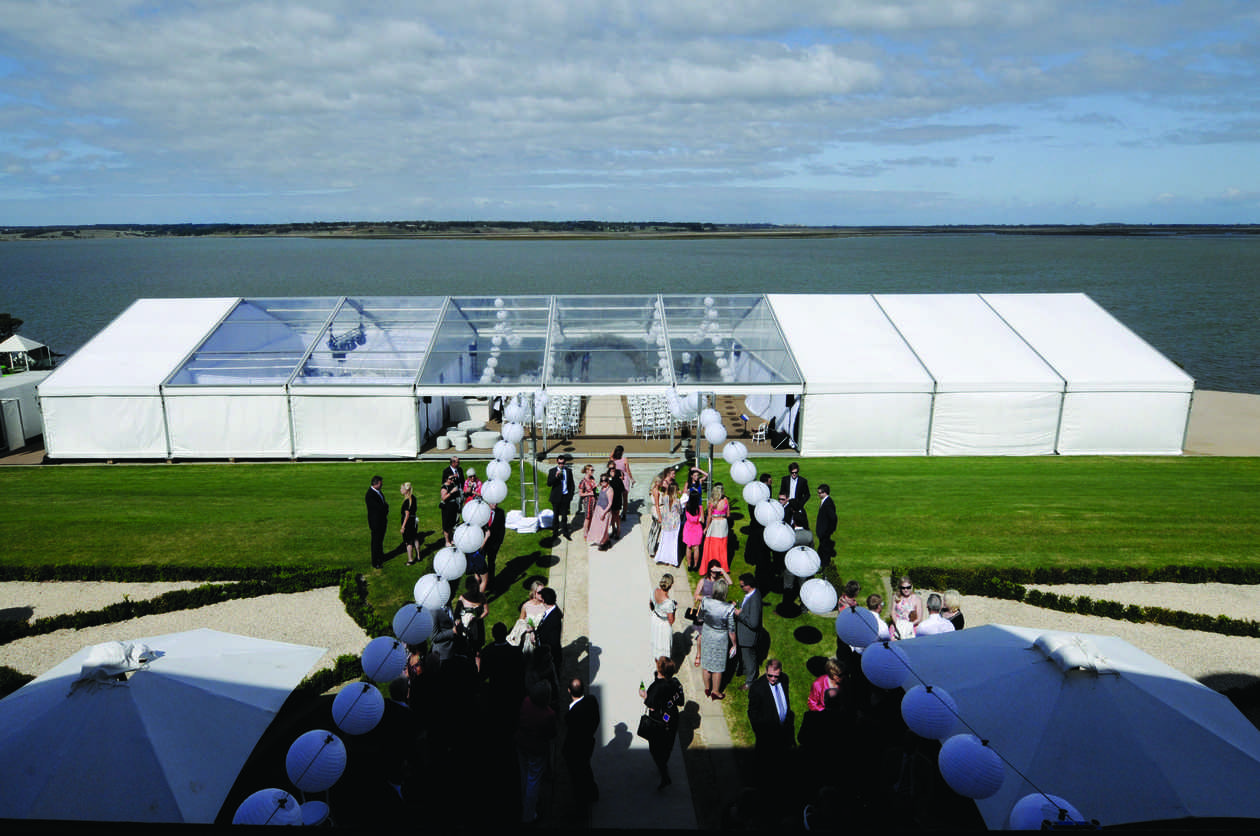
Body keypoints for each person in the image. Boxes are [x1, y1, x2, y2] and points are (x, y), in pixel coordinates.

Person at [639, 656, 685, 789]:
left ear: (660, 670)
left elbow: (651, 704)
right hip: (673, 718)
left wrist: (644, 695)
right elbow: (680, 701)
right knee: (668, 745)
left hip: (658, 721)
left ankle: (664, 773)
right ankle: (664, 762)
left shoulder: (656, 687)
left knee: (655, 748)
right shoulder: (676, 683)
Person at [516, 681, 558, 824]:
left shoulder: (526, 701)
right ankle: (529, 814)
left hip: (521, 744)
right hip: (536, 749)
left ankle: (524, 803)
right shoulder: (549, 714)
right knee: (533, 780)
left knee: (524, 775)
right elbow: (552, 734)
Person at [748, 658, 796, 760]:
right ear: (766, 671)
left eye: (776, 676)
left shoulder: (784, 679)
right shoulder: (757, 688)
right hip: (767, 734)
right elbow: (752, 713)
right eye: (770, 675)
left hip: (783, 730)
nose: (773, 679)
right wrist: (760, 733)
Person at [563, 678, 600, 807]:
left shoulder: (572, 715)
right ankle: (593, 791)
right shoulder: (592, 700)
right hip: (588, 743)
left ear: (569, 691)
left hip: (577, 749)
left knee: (579, 776)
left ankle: (582, 803)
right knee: (585, 768)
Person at [699, 577, 737, 700]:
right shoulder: (729, 608)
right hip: (720, 638)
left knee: (706, 662)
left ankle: (707, 688)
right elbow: (731, 629)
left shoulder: (705, 601)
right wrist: (734, 644)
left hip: (707, 633)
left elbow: (700, 617)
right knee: (718, 666)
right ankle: (716, 691)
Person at [734, 573, 762, 690]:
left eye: (742, 586)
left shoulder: (755, 600)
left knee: (749, 659)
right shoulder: (750, 594)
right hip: (744, 635)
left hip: (748, 637)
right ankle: (745, 671)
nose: (741, 588)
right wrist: (739, 605)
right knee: (746, 657)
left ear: (748, 586)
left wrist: (740, 615)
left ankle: (750, 682)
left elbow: (754, 623)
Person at [700, 482, 731, 576]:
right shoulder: (725, 500)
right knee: (723, 546)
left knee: (712, 546)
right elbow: (728, 514)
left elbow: (709, 517)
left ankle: (711, 565)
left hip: (715, 524)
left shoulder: (711, 502)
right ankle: (723, 567)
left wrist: (706, 527)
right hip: (723, 524)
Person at [508, 580, 547, 652]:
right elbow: (520, 623)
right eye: (539, 593)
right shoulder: (526, 606)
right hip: (529, 641)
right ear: (534, 592)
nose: (542, 594)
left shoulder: (547, 605)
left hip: (543, 639)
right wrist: (528, 630)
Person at [535, 587, 564, 678]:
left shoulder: (553, 618)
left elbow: (552, 641)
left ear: (543, 600)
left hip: (551, 656)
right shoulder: (553, 612)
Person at [365, 474, 392, 568]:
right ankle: (375, 561)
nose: (382, 485)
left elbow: (384, 504)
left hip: (382, 520)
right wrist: (385, 507)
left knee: (380, 541)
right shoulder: (370, 495)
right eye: (380, 483)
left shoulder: (378, 492)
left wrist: (385, 507)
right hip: (376, 522)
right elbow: (379, 508)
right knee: (376, 542)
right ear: (375, 484)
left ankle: (380, 556)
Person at [547, 454, 575, 540]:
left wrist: (570, 495)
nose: (561, 465)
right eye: (559, 463)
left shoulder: (568, 471)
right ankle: (555, 533)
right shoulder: (552, 471)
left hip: (565, 496)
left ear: (565, 463)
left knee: (564, 516)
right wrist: (556, 476)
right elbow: (549, 484)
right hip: (556, 497)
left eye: (562, 463)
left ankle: (566, 533)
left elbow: (571, 484)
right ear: (557, 462)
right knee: (556, 516)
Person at [585, 473, 616, 550]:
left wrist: (604, 513)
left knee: (604, 528)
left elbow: (610, 503)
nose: (603, 482)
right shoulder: (601, 488)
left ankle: (604, 543)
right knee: (598, 527)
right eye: (602, 481)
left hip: (605, 511)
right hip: (598, 509)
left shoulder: (610, 490)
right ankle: (606, 541)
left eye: (605, 480)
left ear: (607, 481)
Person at [653, 482, 681, 567]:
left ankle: (665, 558)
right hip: (674, 523)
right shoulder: (677, 501)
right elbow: (680, 511)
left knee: (665, 540)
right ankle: (672, 559)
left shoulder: (664, 498)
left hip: (666, 522)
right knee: (673, 542)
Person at [651, 574, 677, 662]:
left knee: (656, 640)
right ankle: (663, 664)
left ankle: (657, 660)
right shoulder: (669, 603)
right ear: (670, 585)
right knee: (664, 644)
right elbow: (671, 620)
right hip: (663, 624)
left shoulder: (655, 590)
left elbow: (651, 604)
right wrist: (675, 609)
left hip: (655, 619)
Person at [779, 462, 811, 529]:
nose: (794, 474)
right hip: (788, 504)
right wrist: (784, 500)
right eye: (792, 472)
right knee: (786, 522)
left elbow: (807, 494)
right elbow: (782, 491)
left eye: (795, 472)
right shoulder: (785, 480)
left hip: (797, 505)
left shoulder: (803, 481)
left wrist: (800, 503)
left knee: (801, 522)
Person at [482, 500, 506, 585]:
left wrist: (499, 543)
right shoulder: (483, 512)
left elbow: (502, 530)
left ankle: (491, 581)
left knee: (491, 562)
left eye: (496, 503)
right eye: (493, 503)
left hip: (494, 543)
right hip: (483, 542)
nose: (495, 504)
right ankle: (481, 580)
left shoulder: (500, 512)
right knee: (481, 561)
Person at [681, 492, 705, 572]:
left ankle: (689, 565)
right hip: (697, 528)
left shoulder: (686, 506)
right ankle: (695, 565)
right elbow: (702, 520)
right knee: (696, 548)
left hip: (688, 528)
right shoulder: (700, 508)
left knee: (688, 547)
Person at [398, 482, 420, 566]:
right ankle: (418, 555)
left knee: (408, 542)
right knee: (415, 538)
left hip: (408, 523)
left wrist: (403, 527)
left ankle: (410, 559)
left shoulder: (407, 501)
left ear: (406, 490)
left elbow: (407, 514)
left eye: (402, 489)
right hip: (414, 520)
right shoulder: (413, 498)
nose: (400, 490)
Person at [815, 482, 837, 565]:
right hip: (823, 531)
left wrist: (828, 531)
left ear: (825, 493)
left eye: (820, 493)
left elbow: (833, 518)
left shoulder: (827, 503)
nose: (819, 495)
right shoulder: (825, 501)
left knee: (824, 550)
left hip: (824, 531)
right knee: (822, 549)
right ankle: (822, 564)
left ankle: (825, 565)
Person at [439, 472, 461, 547]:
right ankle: (447, 541)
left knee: (452, 524)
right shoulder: (444, 487)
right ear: (446, 479)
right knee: (446, 525)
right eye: (450, 479)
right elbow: (443, 498)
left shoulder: (453, 485)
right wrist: (451, 492)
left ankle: (451, 539)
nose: (452, 480)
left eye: (453, 478)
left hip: (453, 507)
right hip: (447, 508)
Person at [605, 461, 625, 539]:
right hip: (610, 497)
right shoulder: (607, 474)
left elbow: (622, 485)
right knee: (612, 514)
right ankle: (613, 529)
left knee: (617, 514)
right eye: (610, 468)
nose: (612, 469)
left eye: (613, 467)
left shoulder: (619, 473)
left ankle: (618, 530)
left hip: (617, 496)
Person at [577, 464, 598, 537]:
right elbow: (580, 494)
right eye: (591, 470)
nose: (592, 472)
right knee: (587, 516)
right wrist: (589, 493)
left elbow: (596, 489)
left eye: (593, 470)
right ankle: (585, 531)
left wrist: (597, 492)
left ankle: (590, 529)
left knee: (592, 516)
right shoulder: (583, 481)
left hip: (594, 499)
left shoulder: (592, 478)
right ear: (587, 471)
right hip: (588, 500)